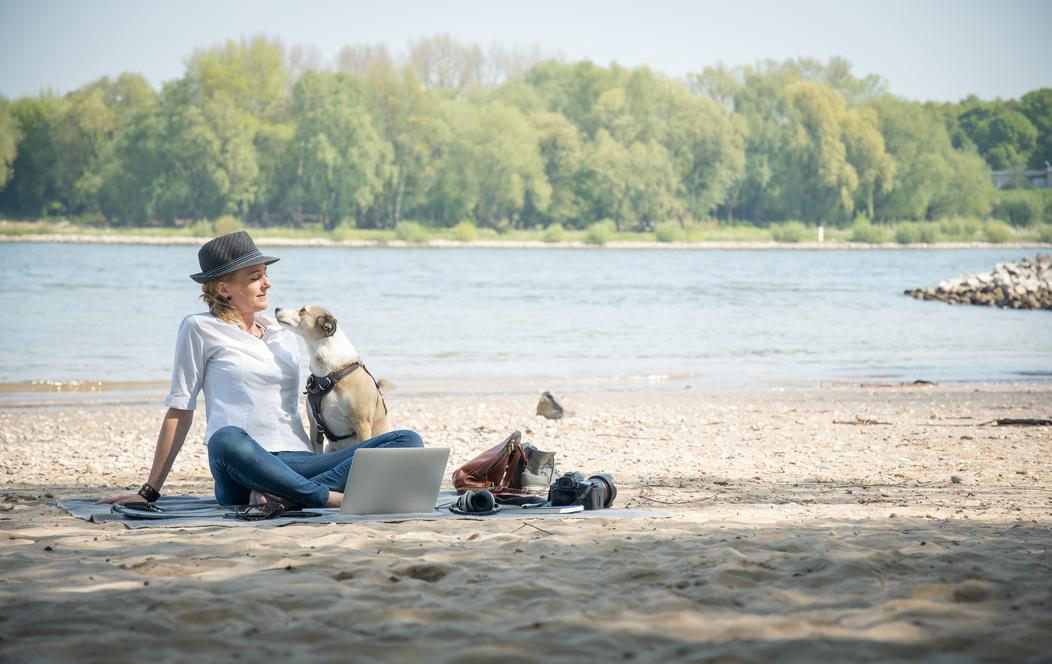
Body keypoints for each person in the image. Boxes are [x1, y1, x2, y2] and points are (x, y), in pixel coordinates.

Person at [98, 231, 423, 508]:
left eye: (265, 273)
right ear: (224, 289)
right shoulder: (199, 328)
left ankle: (289, 496)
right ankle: (327, 498)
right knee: (224, 438)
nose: (267, 283)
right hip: (243, 465)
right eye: (255, 277)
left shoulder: (283, 333)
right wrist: (149, 490)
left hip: (301, 463)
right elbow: (180, 410)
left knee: (406, 441)